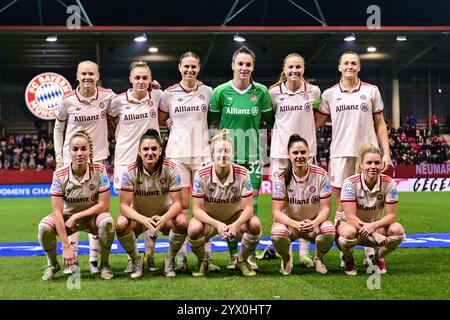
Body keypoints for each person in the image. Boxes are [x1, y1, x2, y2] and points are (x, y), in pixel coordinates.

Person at [315, 51, 391, 267]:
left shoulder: (371, 91)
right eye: (346, 63)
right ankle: (345, 250)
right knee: (342, 206)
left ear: (359, 67)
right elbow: (315, 124)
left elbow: (380, 123)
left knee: (371, 205)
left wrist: (386, 152)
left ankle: (371, 253)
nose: (350, 66)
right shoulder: (329, 94)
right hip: (340, 154)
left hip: (368, 156)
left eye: (354, 63)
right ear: (340, 67)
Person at [208, 46, 274, 270]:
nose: (244, 68)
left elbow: (270, 122)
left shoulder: (262, 92)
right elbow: (212, 123)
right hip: (229, 158)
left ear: (252, 67)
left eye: (248, 64)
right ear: (233, 65)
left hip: (255, 157)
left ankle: (250, 255)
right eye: (240, 64)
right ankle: (233, 256)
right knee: (231, 209)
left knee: (251, 210)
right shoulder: (220, 92)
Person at [159, 52, 220, 273]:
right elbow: (159, 118)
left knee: (206, 210)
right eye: (186, 66)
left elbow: (212, 116)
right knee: (181, 211)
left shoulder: (208, 92)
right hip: (177, 156)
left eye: (193, 67)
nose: (190, 70)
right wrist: (167, 120)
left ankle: (207, 257)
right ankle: (181, 256)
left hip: (203, 156)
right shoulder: (168, 94)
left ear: (199, 68)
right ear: (179, 67)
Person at [53, 60, 115, 274]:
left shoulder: (108, 96)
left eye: (91, 74)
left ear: (98, 76)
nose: (87, 77)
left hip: (97, 159)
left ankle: (94, 259)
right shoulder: (67, 100)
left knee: (95, 208)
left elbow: (129, 103)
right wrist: (59, 158)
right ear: (77, 76)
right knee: (72, 208)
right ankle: (73, 258)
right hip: (72, 159)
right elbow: (58, 129)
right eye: (83, 74)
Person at [107, 60, 164, 273]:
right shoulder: (118, 101)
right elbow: (108, 120)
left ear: (151, 80)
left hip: (151, 162)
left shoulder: (157, 95)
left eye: (145, 78)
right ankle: (134, 257)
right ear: (130, 79)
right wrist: (119, 136)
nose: (141, 81)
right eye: (137, 77)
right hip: (124, 162)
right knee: (128, 212)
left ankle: (149, 255)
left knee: (152, 207)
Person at [38, 129, 115, 280]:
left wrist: (77, 216)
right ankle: (52, 264)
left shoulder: (99, 170)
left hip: (91, 217)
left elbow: (104, 205)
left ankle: (104, 264)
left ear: (90, 151)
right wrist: (66, 247)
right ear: (69, 152)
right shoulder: (59, 175)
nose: (79, 153)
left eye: (83, 149)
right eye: (75, 149)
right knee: (44, 227)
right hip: (66, 219)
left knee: (107, 222)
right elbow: (57, 212)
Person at [269, 53, 321, 269]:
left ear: (303, 68)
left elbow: (320, 115)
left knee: (307, 203)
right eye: (290, 67)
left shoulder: (314, 91)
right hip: (281, 154)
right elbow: (270, 118)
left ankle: (304, 253)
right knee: (283, 204)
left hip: (306, 155)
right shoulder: (273, 93)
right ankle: (286, 255)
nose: (294, 71)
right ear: (284, 67)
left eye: (298, 67)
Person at [187, 129, 262, 277]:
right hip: (210, 221)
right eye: (219, 151)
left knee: (255, 224)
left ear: (233, 154)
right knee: (193, 228)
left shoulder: (243, 173)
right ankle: (203, 260)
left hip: (234, 219)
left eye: (227, 151)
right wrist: (217, 224)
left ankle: (241, 260)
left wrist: (235, 224)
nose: (223, 155)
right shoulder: (201, 175)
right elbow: (196, 210)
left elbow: (248, 208)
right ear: (212, 154)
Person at [115, 129, 186, 278]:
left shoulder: (171, 168)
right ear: (139, 152)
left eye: (154, 149)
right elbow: (123, 207)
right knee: (121, 223)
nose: (150, 153)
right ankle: (136, 260)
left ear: (160, 150)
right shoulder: (129, 171)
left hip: (163, 217)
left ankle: (170, 260)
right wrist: (144, 220)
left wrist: (164, 219)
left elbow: (178, 203)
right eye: (146, 149)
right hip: (140, 218)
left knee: (182, 221)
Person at [336, 143, 405, 275]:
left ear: (381, 165)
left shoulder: (389, 183)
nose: (373, 166)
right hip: (352, 226)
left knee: (398, 231)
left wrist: (373, 227)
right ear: (361, 165)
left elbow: (391, 216)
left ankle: (377, 257)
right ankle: (349, 259)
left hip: (375, 225)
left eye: (376, 163)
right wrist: (373, 233)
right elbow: (350, 217)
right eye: (369, 163)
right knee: (348, 234)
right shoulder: (350, 183)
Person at [271, 134, 334, 275]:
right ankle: (287, 258)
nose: (299, 156)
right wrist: (295, 224)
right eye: (295, 153)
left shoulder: (321, 174)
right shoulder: (279, 177)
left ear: (309, 154)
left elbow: (326, 208)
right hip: (290, 225)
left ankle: (319, 258)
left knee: (329, 230)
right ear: (289, 155)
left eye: (303, 152)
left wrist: (315, 222)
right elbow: (276, 212)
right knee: (277, 233)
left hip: (313, 225)